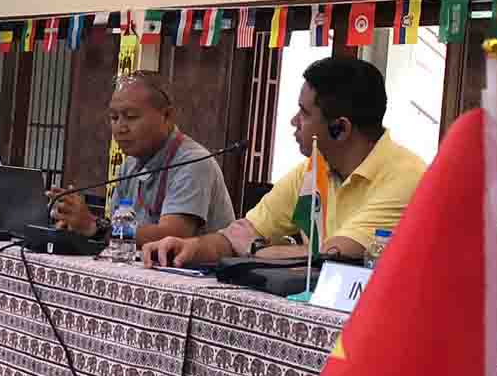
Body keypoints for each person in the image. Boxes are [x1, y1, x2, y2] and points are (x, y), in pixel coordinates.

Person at [144, 57, 426, 267]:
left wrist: (254, 249)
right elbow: (237, 236)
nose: (293, 121)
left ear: (340, 128)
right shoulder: (314, 169)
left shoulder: (406, 178)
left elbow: (334, 256)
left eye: (304, 113)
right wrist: (189, 247)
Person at [50, 72, 235, 246]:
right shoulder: (130, 165)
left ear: (167, 116)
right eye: (114, 117)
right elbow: (118, 228)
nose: (120, 128)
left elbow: (172, 236)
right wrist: (75, 224)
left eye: (131, 117)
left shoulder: (194, 163)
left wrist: (94, 227)